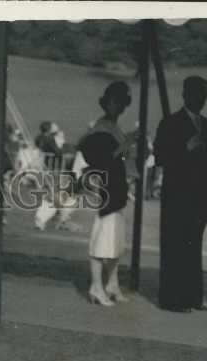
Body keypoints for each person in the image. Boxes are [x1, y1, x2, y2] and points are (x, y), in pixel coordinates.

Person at [153, 76, 207, 312]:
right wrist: (185, 148)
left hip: (200, 198)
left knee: (193, 246)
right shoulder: (171, 123)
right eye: (197, 93)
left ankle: (193, 297)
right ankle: (172, 300)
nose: (201, 98)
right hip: (177, 195)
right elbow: (160, 156)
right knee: (174, 245)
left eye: (204, 94)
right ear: (185, 95)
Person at [78, 81, 136, 306]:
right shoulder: (102, 128)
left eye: (122, 103)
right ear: (108, 103)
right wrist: (125, 146)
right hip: (107, 188)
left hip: (117, 187)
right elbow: (100, 158)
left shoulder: (111, 126)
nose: (119, 107)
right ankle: (96, 286)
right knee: (103, 238)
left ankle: (111, 284)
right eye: (116, 102)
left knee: (115, 240)